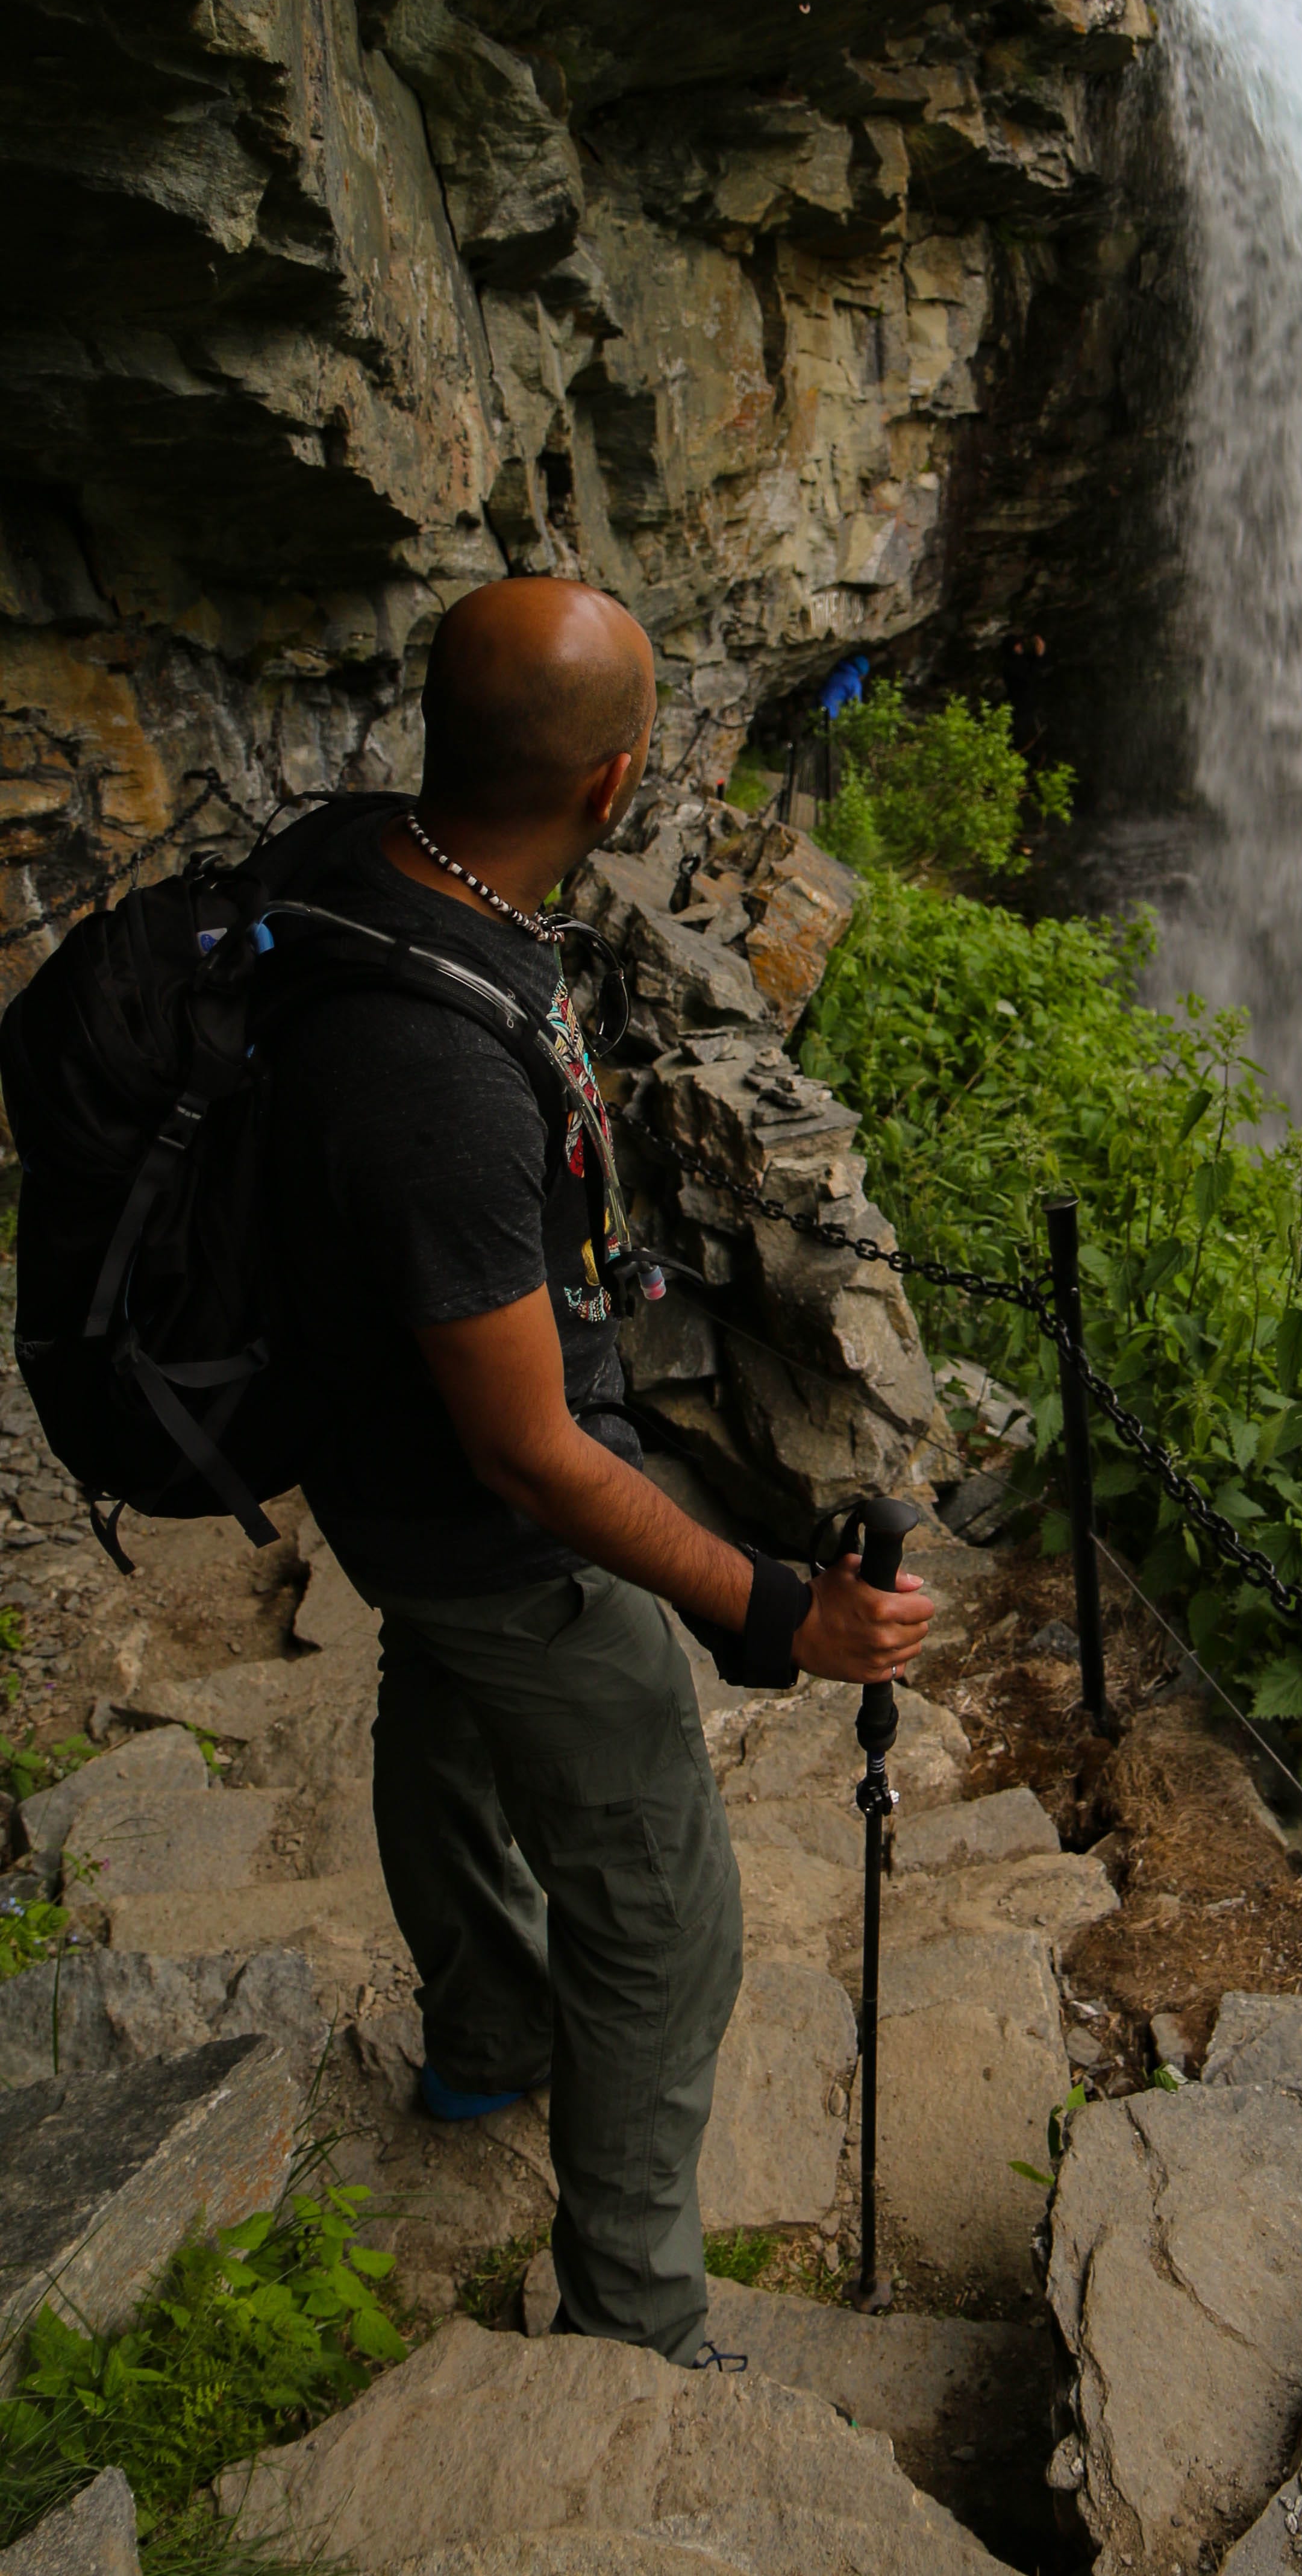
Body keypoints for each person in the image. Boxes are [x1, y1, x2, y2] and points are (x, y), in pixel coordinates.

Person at [263, 577, 931, 2366]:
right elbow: (532, 1457)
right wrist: (777, 1612)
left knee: (441, 1714)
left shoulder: (366, 873)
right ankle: (635, 2321)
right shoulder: (428, 1071)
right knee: (667, 1913)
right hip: (486, 1525)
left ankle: (488, 2045)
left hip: (380, 1480)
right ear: (617, 781)